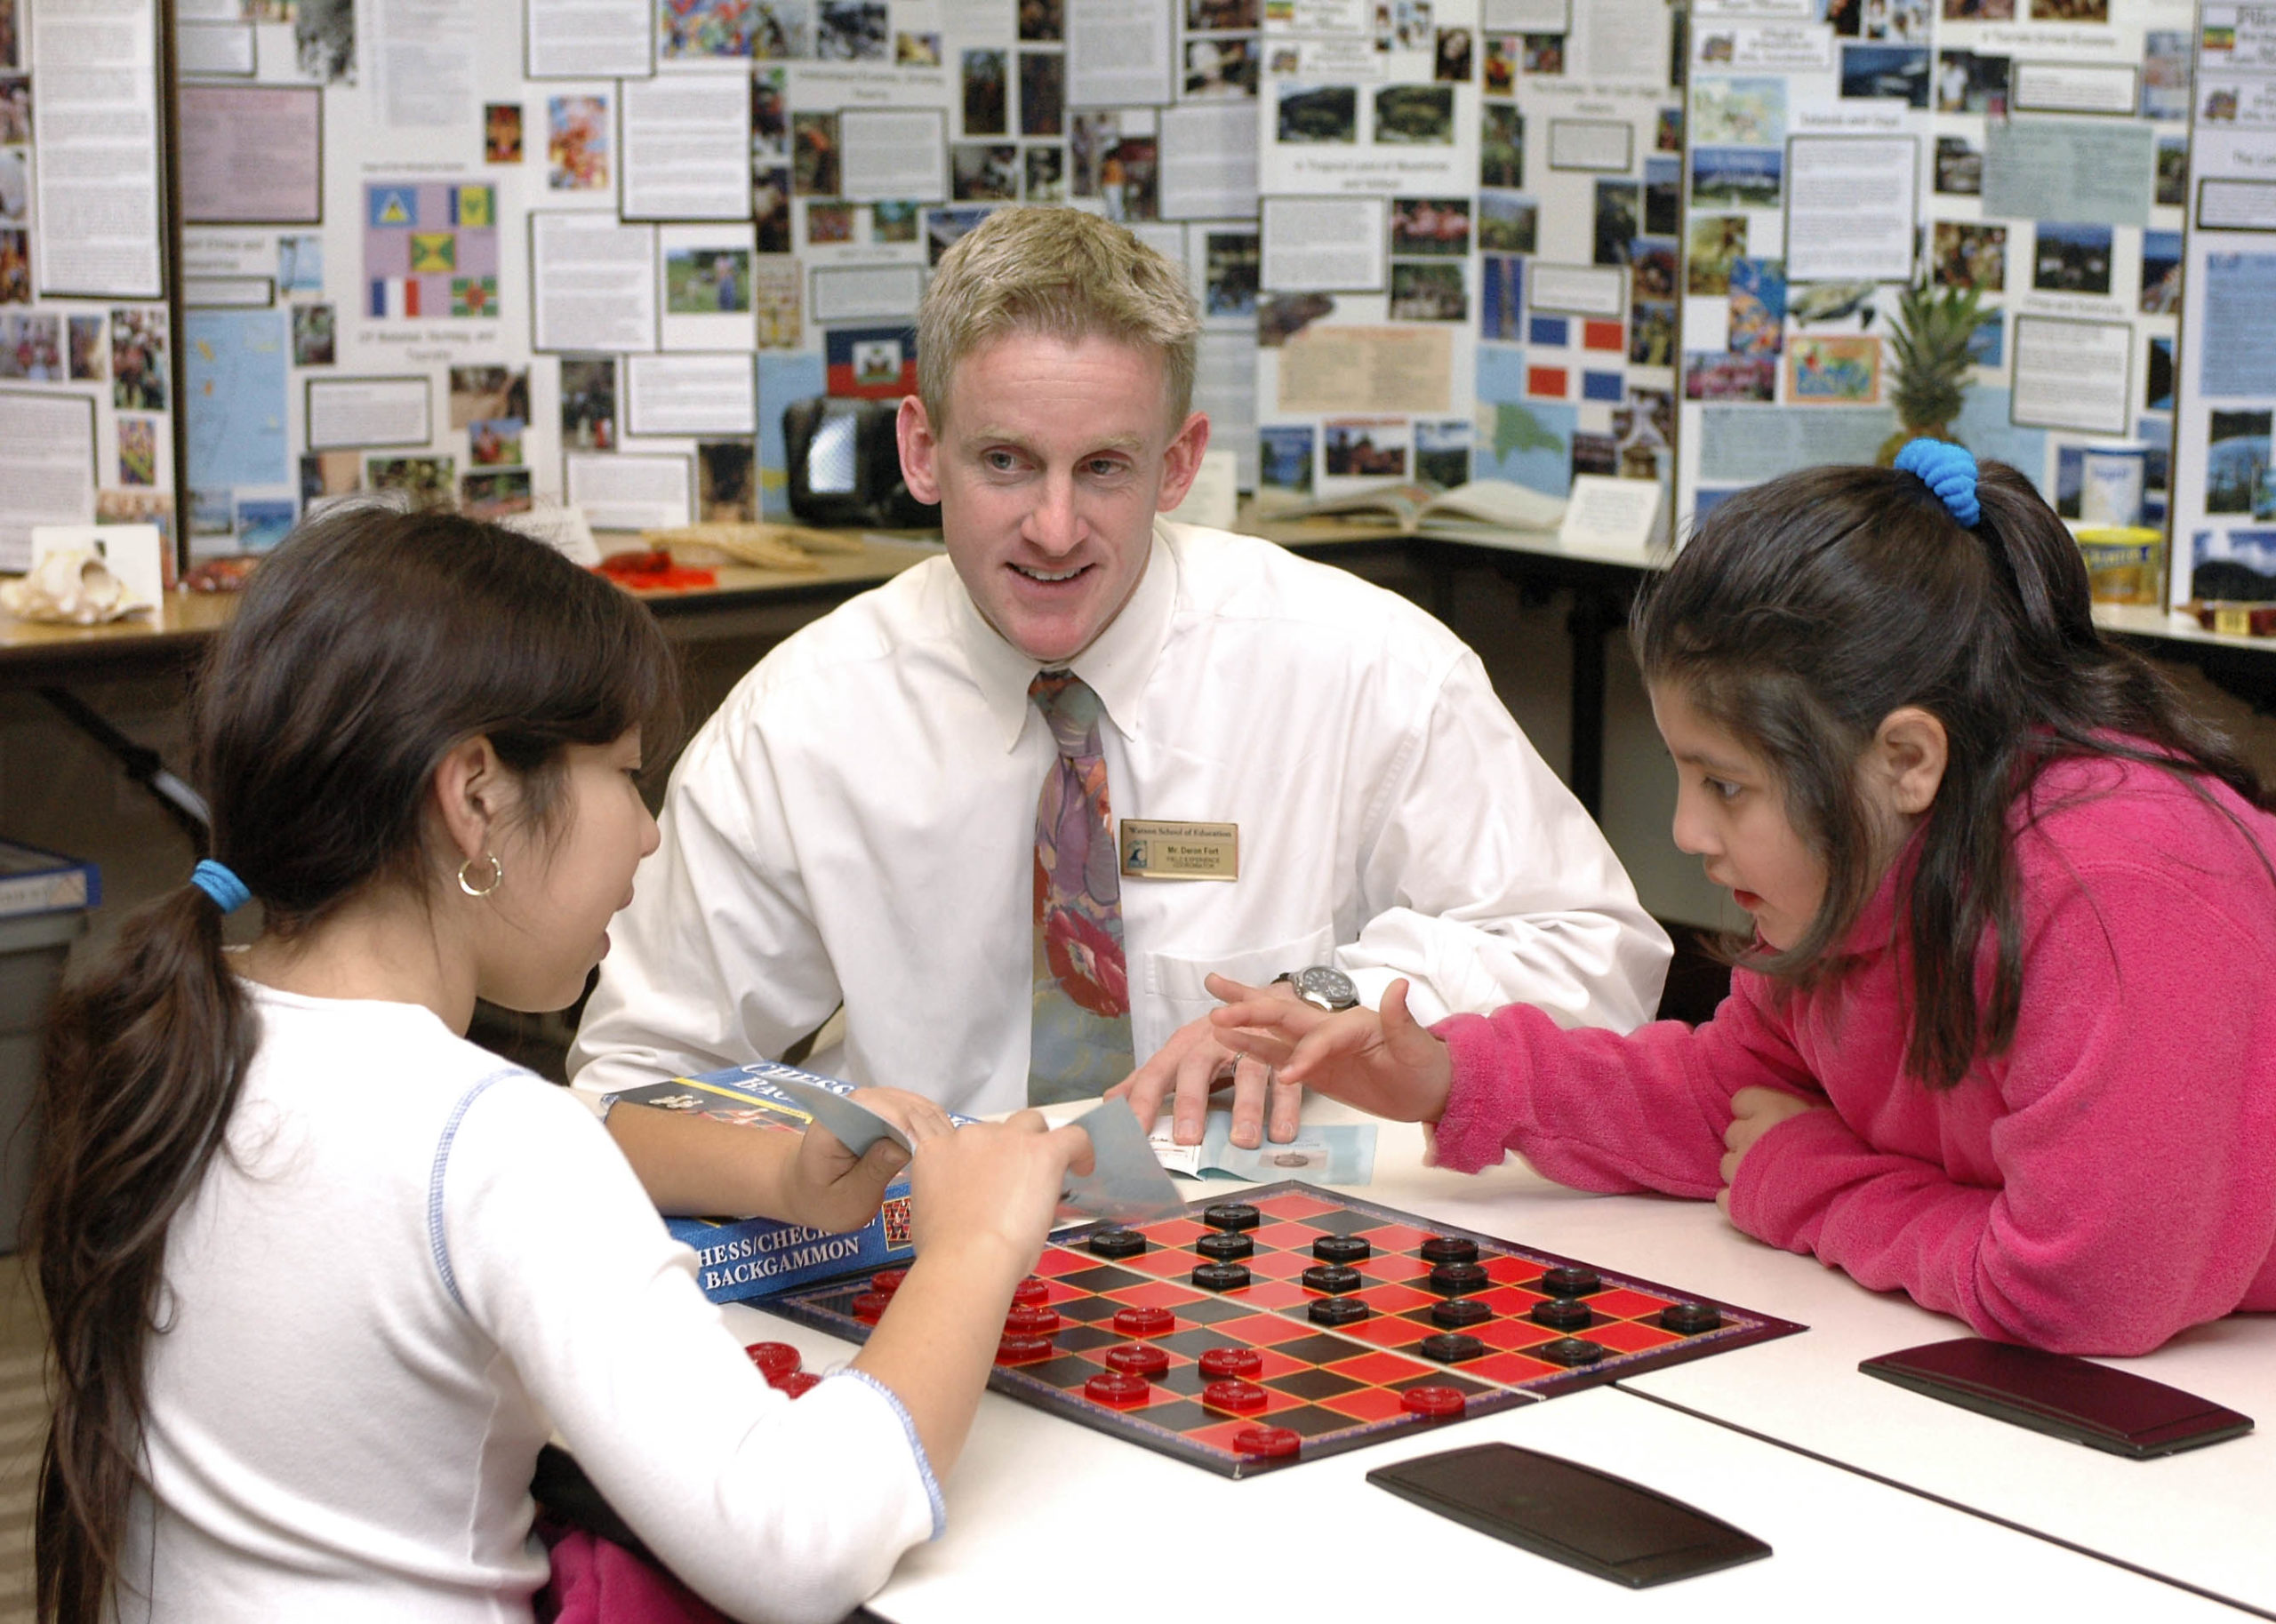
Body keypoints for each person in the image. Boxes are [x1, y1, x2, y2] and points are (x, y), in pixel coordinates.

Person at [29, 508, 1091, 1624]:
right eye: (627, 777)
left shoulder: (184, 1035)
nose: (645, 834)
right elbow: (798, 1543)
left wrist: (777, 1182)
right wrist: (971, 1251)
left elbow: (449, 1200)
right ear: (476, 795)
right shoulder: (487, 1134)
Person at [570, 205, 1667, 1192]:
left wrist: (1329, 1003)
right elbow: (638, 1080)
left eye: (1103, 467)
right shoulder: (801, 721)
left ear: (1177, 465)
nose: (1054, 528)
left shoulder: (1360, 663)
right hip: (929, 1242)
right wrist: (805, 1160)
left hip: (1284, 1247)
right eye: (1005, 461)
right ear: (921, 450)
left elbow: (1596, 952)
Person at [1206, 443, 2276, 1357]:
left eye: (1726, 785)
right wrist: (1448, 1075)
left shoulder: (2118, 888)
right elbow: (1726, 1100)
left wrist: (1809, 1180)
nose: (1683, 832)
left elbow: (2090, 1286)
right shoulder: (1864, 864)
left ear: (1906, 758)